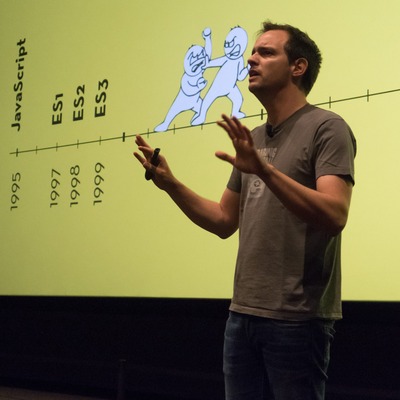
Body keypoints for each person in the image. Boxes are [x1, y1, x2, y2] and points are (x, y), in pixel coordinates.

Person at [134, 20, 356, 400]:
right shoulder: (252, 139)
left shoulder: (327, 127)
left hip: (297, 318)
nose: (252, 59)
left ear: (298, 67)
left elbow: (335, 214)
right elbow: (224, 220)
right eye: (253, 52)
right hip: (242, 314)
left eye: (266, 52)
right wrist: (170, 184)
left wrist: (264, 171)